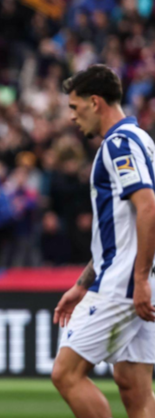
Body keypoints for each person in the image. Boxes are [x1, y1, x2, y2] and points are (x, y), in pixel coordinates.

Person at [52, 64, 155, 418]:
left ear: (95, 102)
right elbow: (120, 231)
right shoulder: (143, 139)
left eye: (74, 107)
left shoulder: (118, 145)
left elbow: (149, 209)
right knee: (133, 385)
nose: (71, 117)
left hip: (125, 282)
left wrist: (138, 279)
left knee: (66, 374)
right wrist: (83, 284)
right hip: (134, 277)